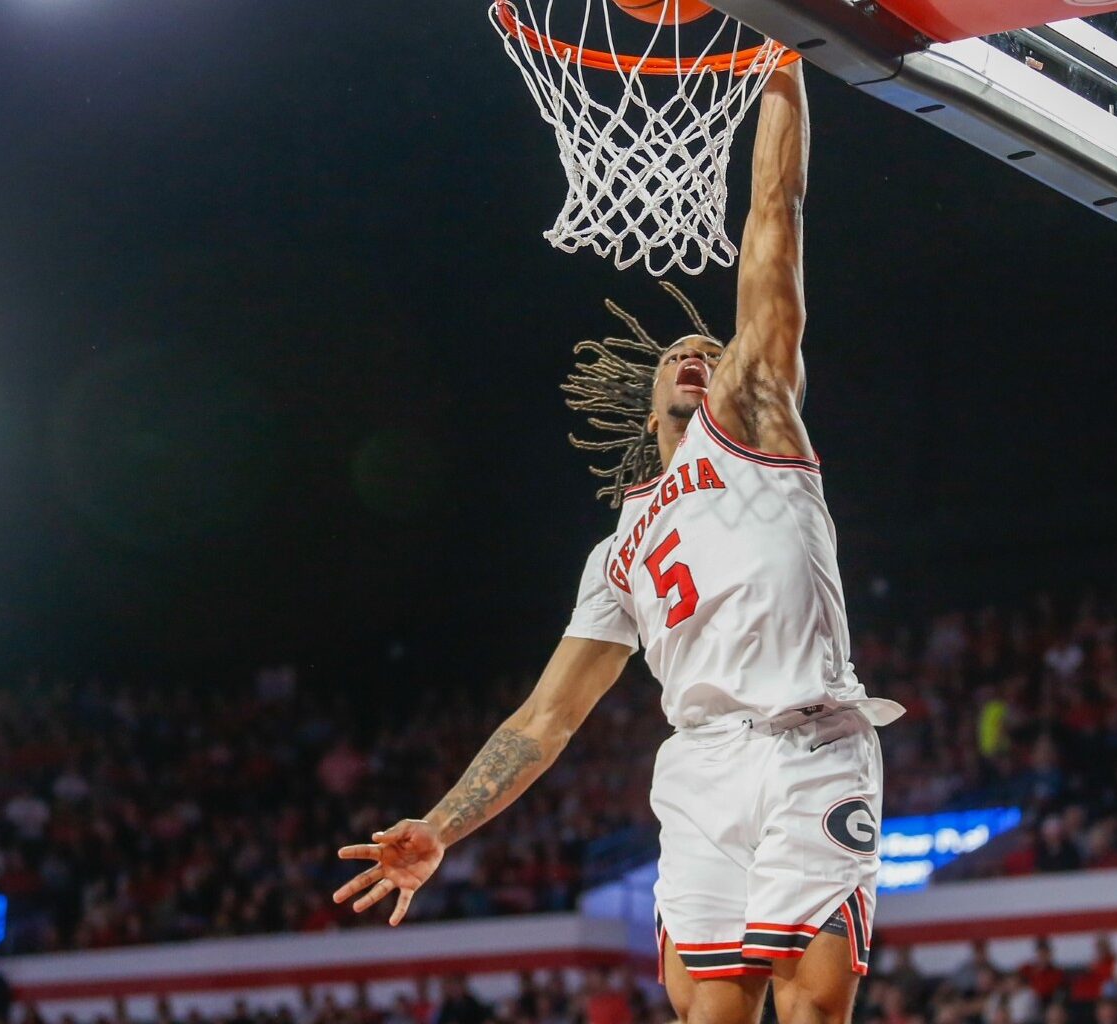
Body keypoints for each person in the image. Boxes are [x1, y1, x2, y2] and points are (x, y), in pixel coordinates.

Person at [334, 61, 904, 1024]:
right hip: (700, 766)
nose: (698, 355)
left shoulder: (757, 425)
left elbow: (775, 217)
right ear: (647, 407)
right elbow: (545, 720)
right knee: (707, 1013)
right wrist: (442, 826)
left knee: (811, 1006)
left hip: (809, 739)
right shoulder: (616, 553)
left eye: (713, 349)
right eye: (679, 354)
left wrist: (784, 63)